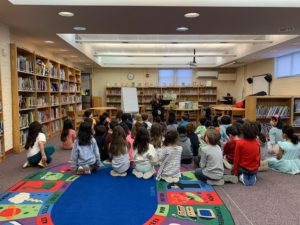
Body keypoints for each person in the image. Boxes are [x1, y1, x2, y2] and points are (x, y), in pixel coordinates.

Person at [233, 121, 260, 186]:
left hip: (243, 169)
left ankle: (242, 176)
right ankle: (253, 176)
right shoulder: (257, 142)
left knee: (233, 169)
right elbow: (258, 156)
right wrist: (257, 167)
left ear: (243, 132)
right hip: (254, 169)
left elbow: (236, 158)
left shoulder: (239, 143)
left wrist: (235, 172)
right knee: (252, 172)